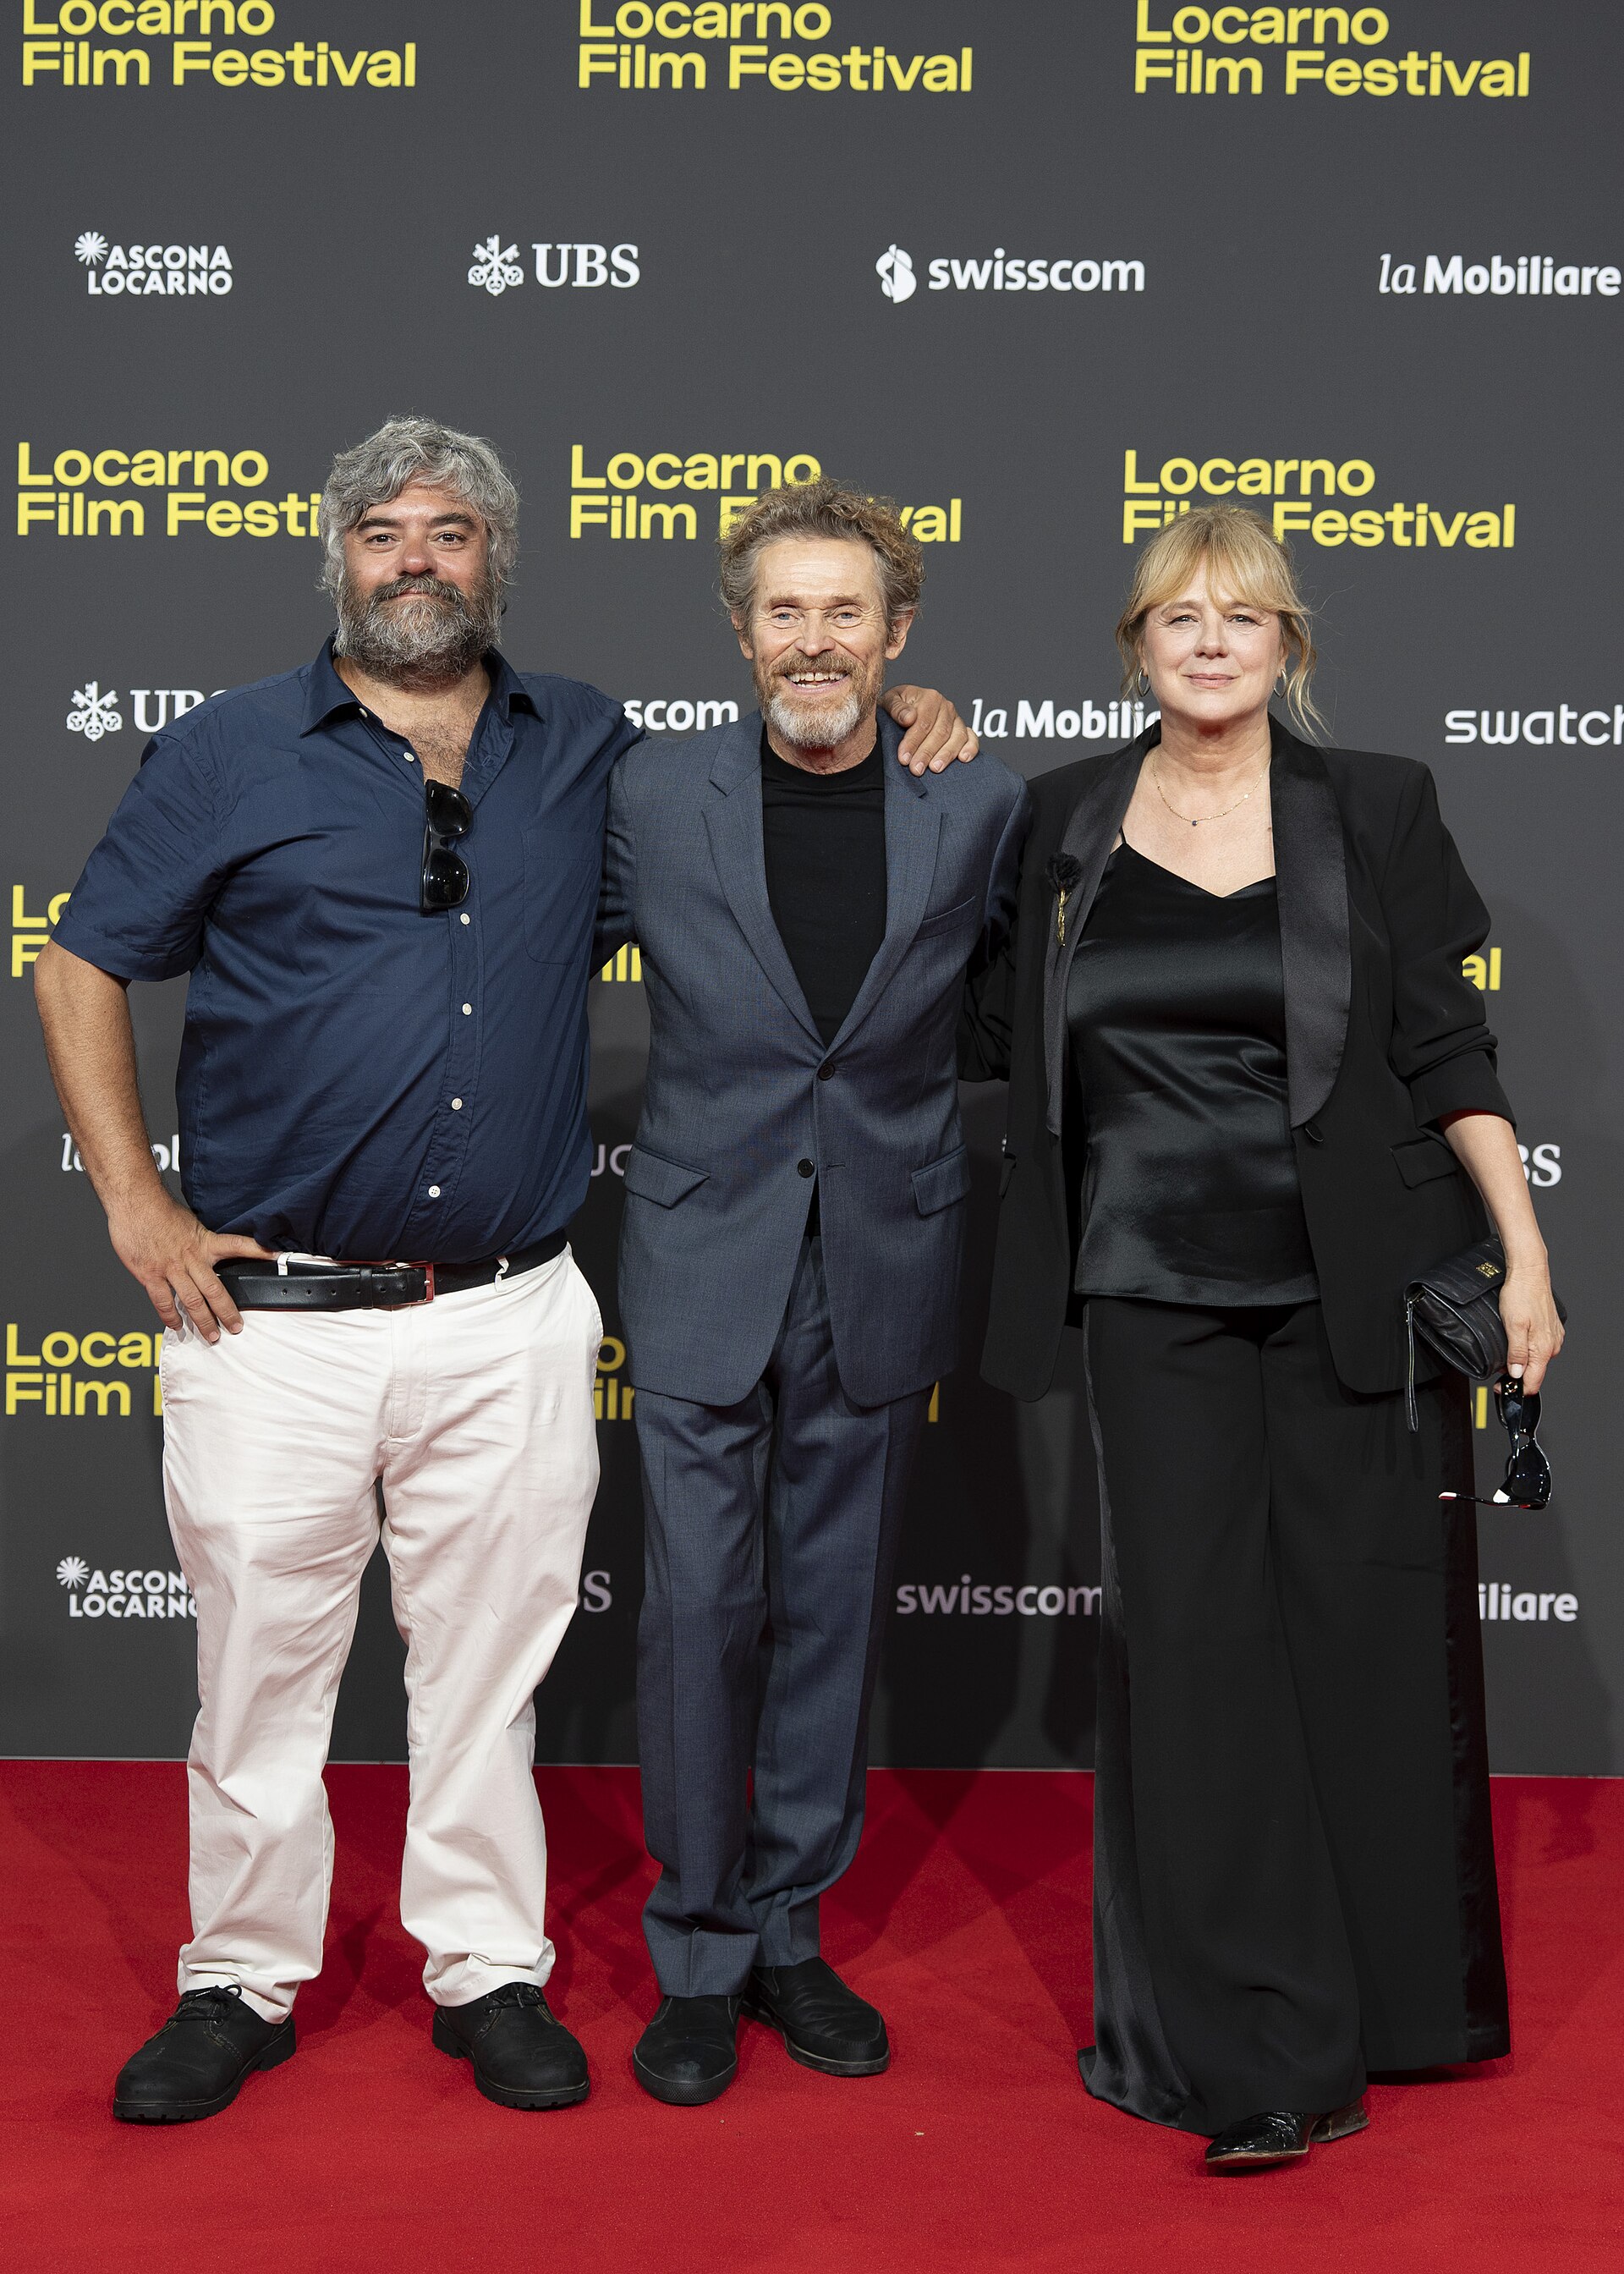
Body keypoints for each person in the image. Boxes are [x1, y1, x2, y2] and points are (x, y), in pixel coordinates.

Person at [32, 417, 974, 2127]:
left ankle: (485, 1970)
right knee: (259, 1676)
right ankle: (241, 1982)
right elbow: (86, 957)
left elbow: (774, 804)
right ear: (338, 556)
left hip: (511, 1310)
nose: (414, 559)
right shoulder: (229, 751)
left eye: (449, 533)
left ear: (497, 560)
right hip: (275, 1317)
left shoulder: (589, 749)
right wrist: (136, 1209)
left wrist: (898, 722)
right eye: (383, 531)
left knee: (490, 1671)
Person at [959, 505, 1563, 2171]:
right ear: (1137, 647)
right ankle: (1262, 2053)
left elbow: (1450, 1049)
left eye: (1242, 616)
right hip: (1148, 1297)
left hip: (1346, 1291)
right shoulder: (1059, 825)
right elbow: (977, 1030)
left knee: (1355, 1648)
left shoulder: (1375, 806)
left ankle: (1389, 2010)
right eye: (1177, 616)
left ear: (1287, 645)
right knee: (1205, 1663)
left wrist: (1524, 1257)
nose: (1210, 641)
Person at [597, 481, 1029, 2106]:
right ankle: (698, 1950)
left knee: (833, 1614)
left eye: (848, 612)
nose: (816, 641)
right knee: (703, 1613)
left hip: (882, 1257)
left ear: (898, 632)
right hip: (704, 1255)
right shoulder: (652, 793)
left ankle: (791, 1933)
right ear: (740, 630)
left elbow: (1016, 1009)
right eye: (786, 611)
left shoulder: (973, 803)